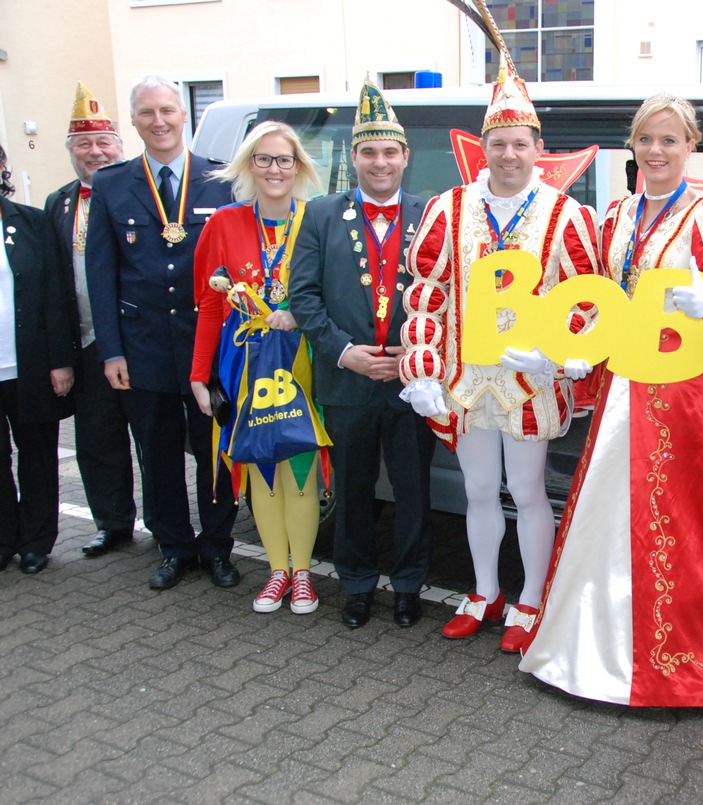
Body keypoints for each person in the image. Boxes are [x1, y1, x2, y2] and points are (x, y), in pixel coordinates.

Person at [519, 94, 703, 707]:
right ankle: (587, 646)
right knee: (604, 510)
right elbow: (598, 301)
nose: (657, 151)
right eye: (647, 139)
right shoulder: (616, 214)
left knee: (671, 521)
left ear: (691, 147)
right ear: (634, 146)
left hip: (676, 398)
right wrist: (569, 352)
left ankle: (672, 661)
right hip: (623, 386)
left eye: (670, 140)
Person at [400, 57, 599, 652]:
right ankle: (485, 591)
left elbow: (584, 300)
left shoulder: (566, 215)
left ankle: (532, 598)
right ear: (480, 147)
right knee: (479, 490)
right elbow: (428, 296)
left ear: (538, 147)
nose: (508, 154)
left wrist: (558, 355)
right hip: (465, 378)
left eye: (519, 143)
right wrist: (422, 369)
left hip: (529, 383)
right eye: (497, 143)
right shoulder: (450, 207)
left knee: (531, 490)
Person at [290, 80, 434, 630]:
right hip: (347, 380)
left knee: (413, 490)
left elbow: (452, 295)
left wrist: (418, 353)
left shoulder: (432, 214)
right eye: (369, 152)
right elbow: (303, 298)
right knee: (350, 490)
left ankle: (407, 585)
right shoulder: (320, 215)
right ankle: (354, 584)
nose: (380, 162)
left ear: (405, 157)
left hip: (410, 380)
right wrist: (344, 353)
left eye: (390, 152)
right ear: (354, 157)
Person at [86, 76, 239, 590]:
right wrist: (111, 351)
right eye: (147, 112)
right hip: (143, 345)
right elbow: (101, 275)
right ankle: (173, 547)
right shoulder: (112, 184)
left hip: (209, 347)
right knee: (156, 452)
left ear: (184, 116)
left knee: (215, 450)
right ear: (134, 121)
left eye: (168, 110)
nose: (159, 121)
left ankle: (217, 547)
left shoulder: (221, 181)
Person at [191, 121, 326, 615]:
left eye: (284, 159)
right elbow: (208, 305)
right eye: (264, 159)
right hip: (243, 363)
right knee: (259, 464)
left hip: (301, 361)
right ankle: (276, 572)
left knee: (300, 466)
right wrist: (199, 375)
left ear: (298, 166)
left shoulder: (317, 218)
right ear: (250, 165)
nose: (274, 169)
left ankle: (305, 575)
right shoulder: (222, 223)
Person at [44, 81, 141, 559]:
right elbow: (53, 285)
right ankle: (112, 522)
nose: (95, 151)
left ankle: (167, 525)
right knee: (98, 441)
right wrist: (60, 354)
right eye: (84, 143)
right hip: (86, 343)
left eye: (104, 142)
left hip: (135, 339)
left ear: (119, 148)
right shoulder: (57, 204)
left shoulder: (136, 192)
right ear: (72, 152)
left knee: (151, 438)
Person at [0, 145, 76, 574]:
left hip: (27, 364)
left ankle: (35, 541)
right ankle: (2, 538)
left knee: (38, 456)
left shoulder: (30, 223)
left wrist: (60, 361)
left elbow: (53, 294)